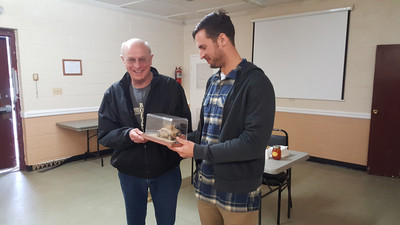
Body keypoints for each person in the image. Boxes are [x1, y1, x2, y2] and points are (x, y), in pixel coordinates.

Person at [169, 10, 275, 225]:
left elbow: (252, 144)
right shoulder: (213, 81)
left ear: (222, 39)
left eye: (203, 47)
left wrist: (197, 150)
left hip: (238, 191)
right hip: (205, 184)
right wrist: (178, 137)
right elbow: (207, 132)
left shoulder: (256, 83)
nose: (200, 55)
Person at [98, 38, 192, 225]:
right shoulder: (113, 93)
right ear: (123, 60)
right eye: (131, 60)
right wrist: (127, 135)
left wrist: (171, 136)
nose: (138, 65)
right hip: (129, 173)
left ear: (151, 59)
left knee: (166, 221)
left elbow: (185, 127)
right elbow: (105, 134)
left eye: (143, 59)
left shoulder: (171, 88)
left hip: (166, 171)